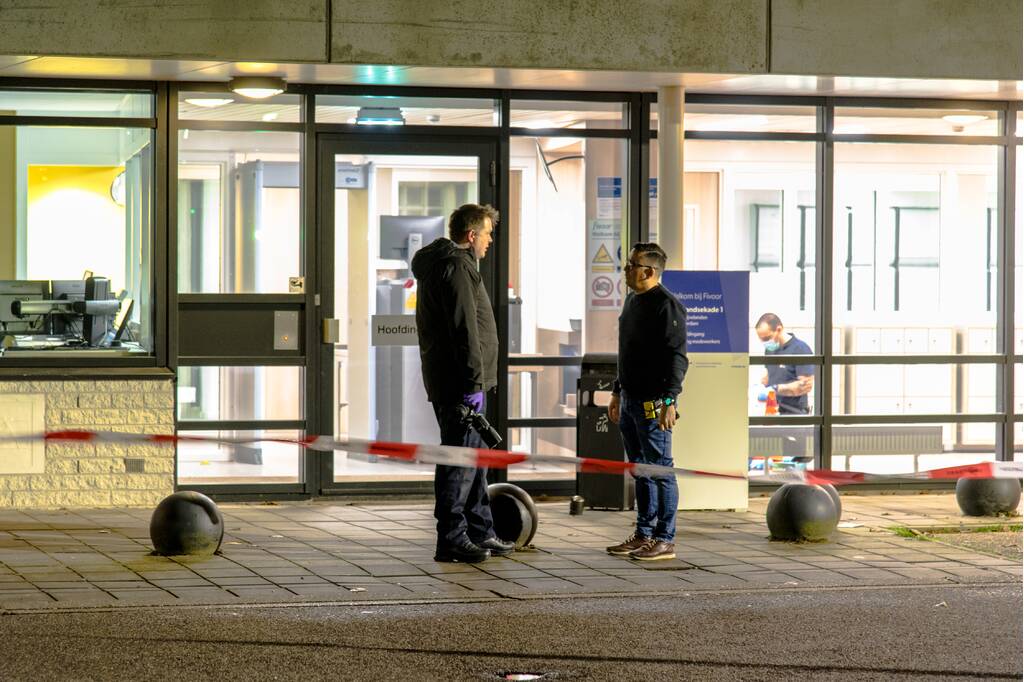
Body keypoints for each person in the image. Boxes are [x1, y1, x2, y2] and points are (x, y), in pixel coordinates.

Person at [411, 203, 516, 564]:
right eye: (487, 234)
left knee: (476, 459)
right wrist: (473, 381)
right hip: (461, 384)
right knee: (459, 460)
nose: (489, 241)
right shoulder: (455, 267)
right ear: (471, 235)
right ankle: (453, 538)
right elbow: (464, 329)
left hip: (464, 381)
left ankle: (479, 530)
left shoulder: (452, 265)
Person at [606, 243, 688, 562]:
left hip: (654, 401)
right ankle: (644, 533)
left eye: (631, 265)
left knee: (660, 470)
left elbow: (677, 358)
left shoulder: (667, 306)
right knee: (641, 469)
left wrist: (670, 400)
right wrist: (616, 392)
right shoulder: (632, 301)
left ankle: (665, 539)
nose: (626, 269)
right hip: (629, 398)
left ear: (649, 272)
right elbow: (626, 352)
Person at [754, 313, 814, 415]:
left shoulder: (800, 349)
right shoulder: (769, 350)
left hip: (793, 415)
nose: (765, 342)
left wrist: (775, 389)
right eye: (761, 339)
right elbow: (769, 377)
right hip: (772, 412)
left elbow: (806, 386)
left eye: (767, 338)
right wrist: (761, 385)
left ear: (779, 329)